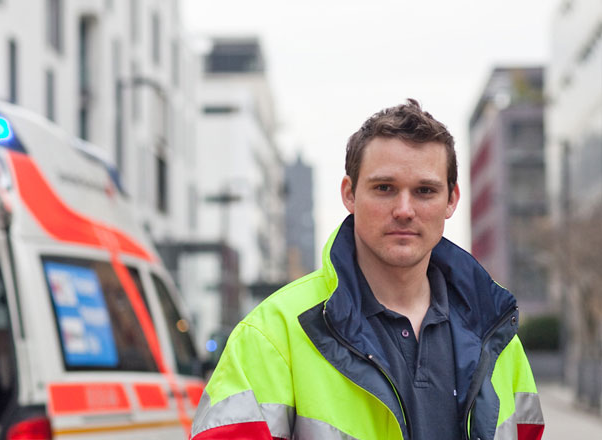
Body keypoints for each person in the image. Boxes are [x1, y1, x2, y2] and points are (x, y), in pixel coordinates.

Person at [191, 99, 544, 440]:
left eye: (424, 190)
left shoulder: (495, 335)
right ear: (349, 194)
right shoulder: (272, 335)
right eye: (384, 188)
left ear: (451, 200)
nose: (404, 209)